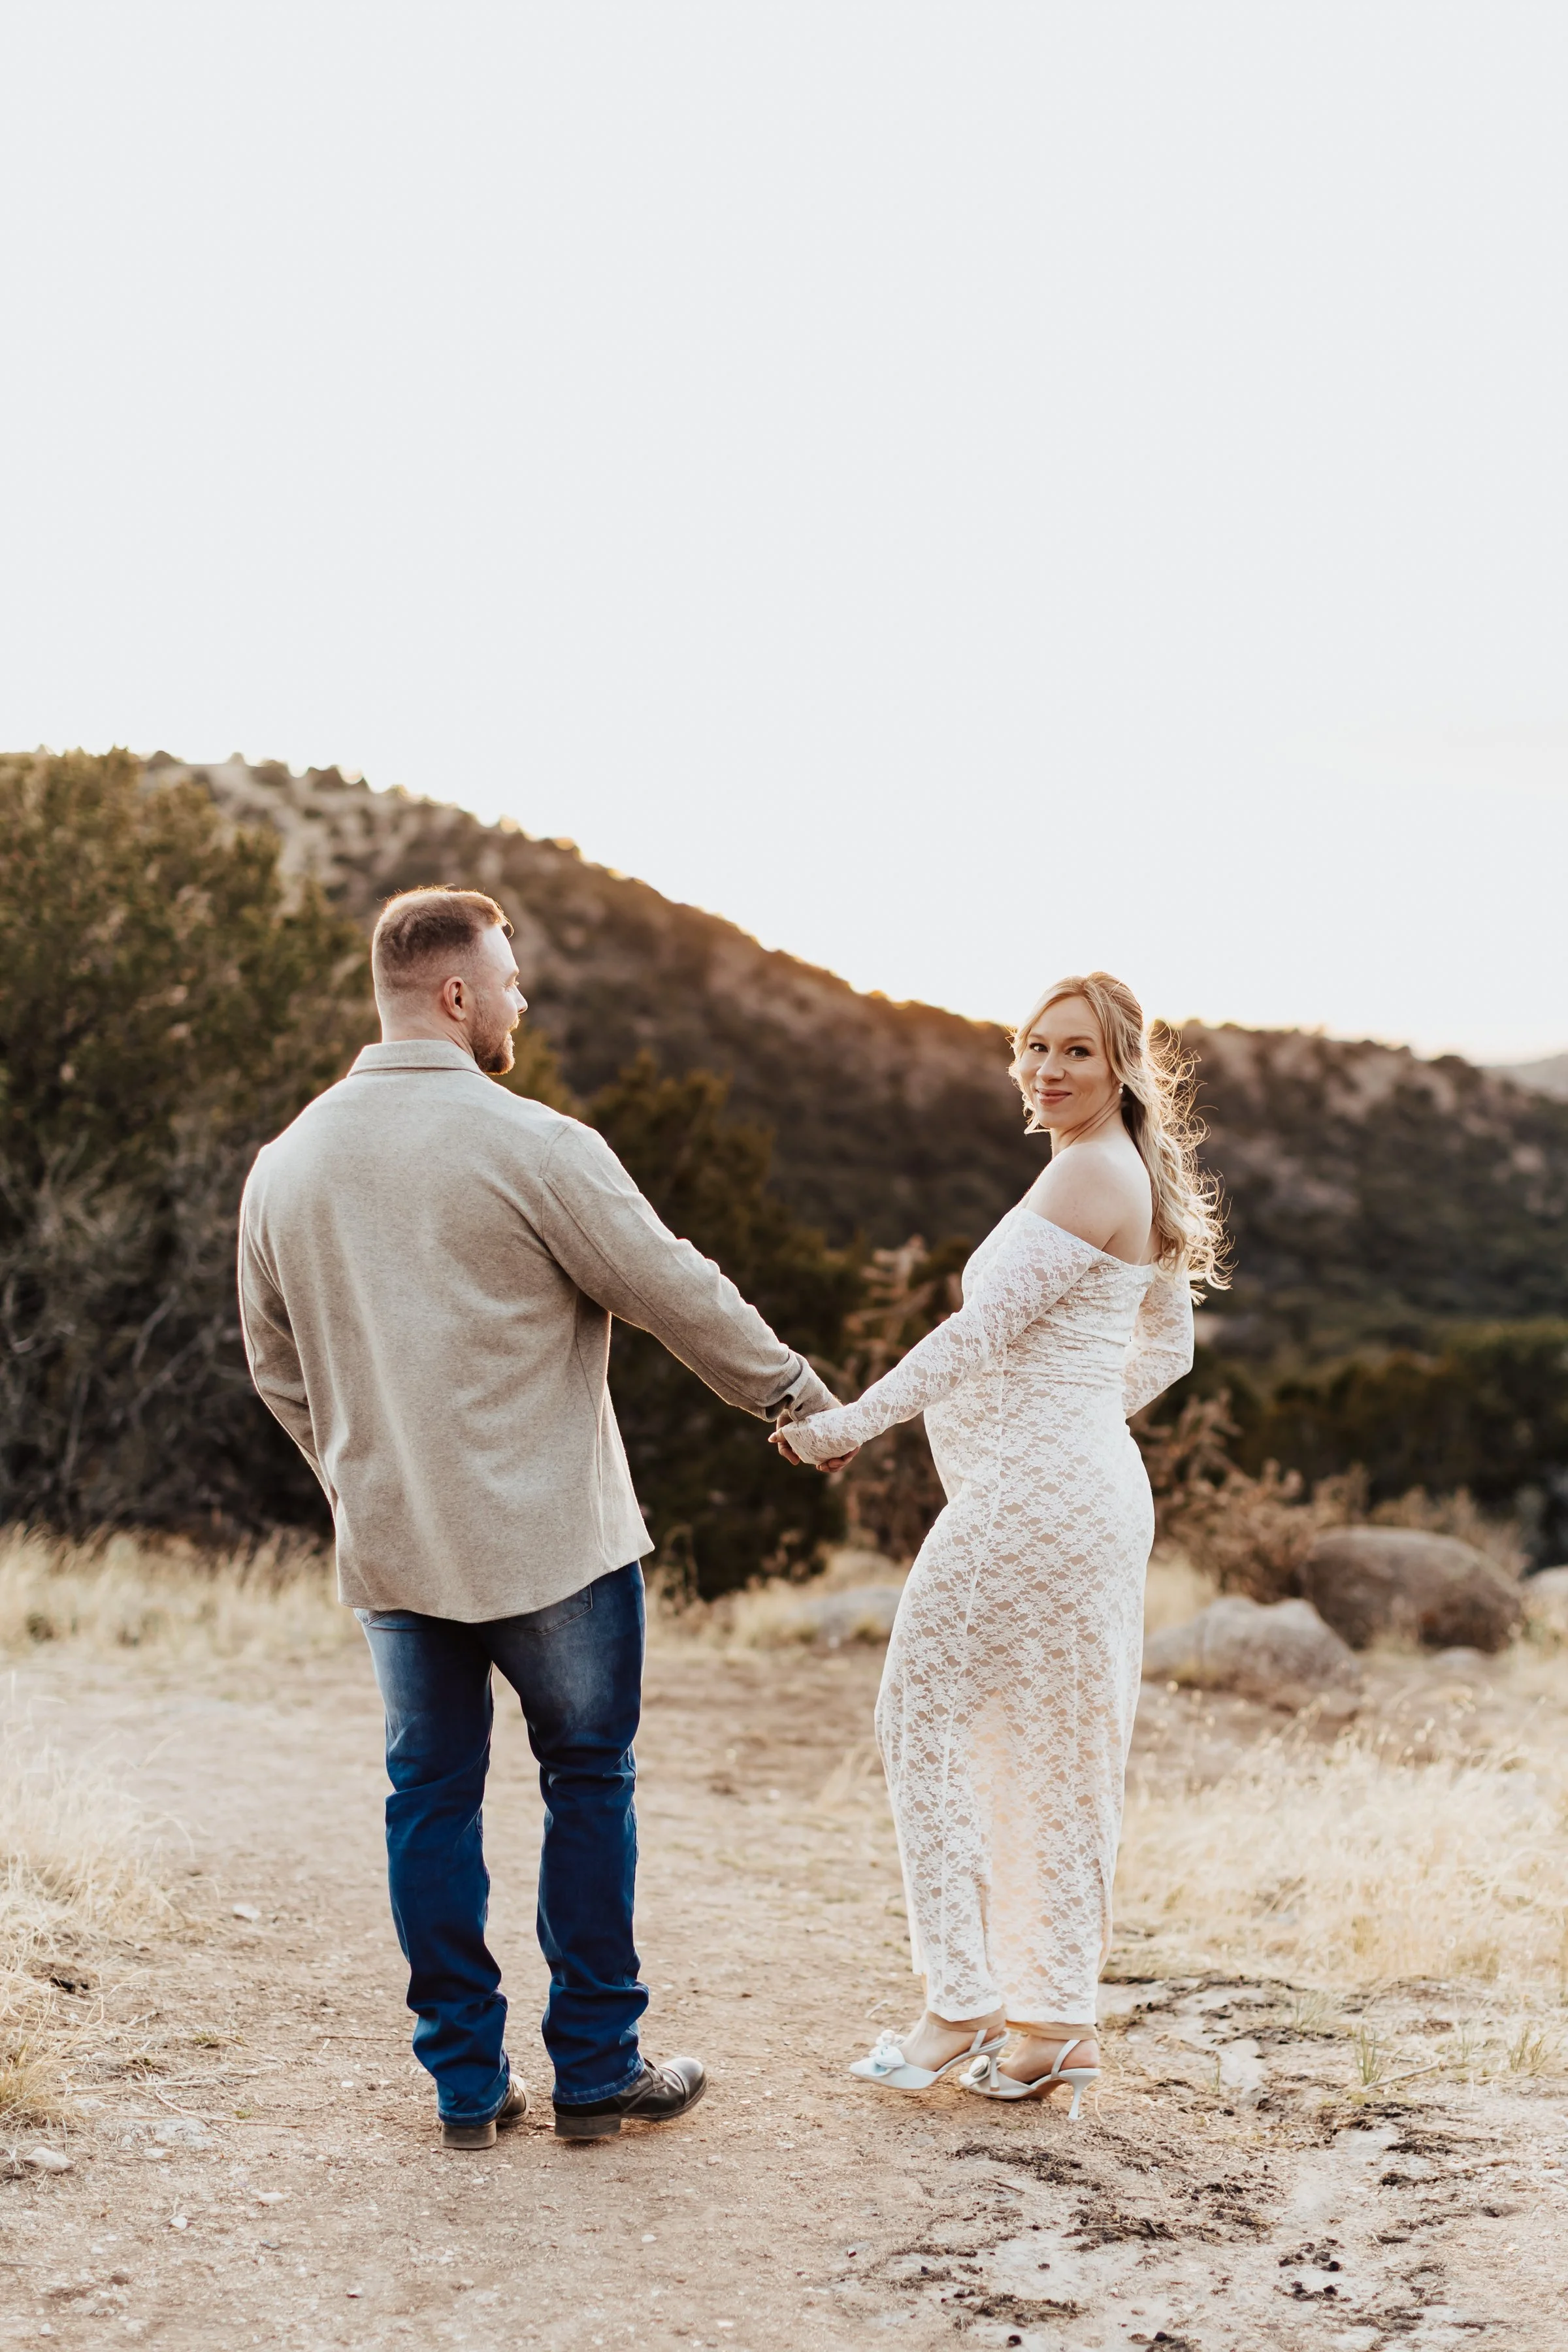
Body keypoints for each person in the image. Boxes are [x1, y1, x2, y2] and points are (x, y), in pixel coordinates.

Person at [238, 887, 844, 2147]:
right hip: (553, 1543)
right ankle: (597, 2071)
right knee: (588, 1782)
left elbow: (275, 1366)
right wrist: (788, 1392)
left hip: (397, 1543)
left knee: (428, 1800)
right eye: (509, 980)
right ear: (455, 995)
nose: (523, 1000)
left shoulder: (284, 1165)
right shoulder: (535, 1144)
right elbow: (674, 1285)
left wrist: (361, 1472)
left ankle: (465, 2085)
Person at [774, 972, 1222, 2117]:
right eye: (1032, 1048)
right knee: (1052, 1746)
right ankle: (1051, 2029)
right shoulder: (1125, 1172)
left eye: (1074, 1051)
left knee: (919, 1714)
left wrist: (848, 1428)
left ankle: (963, 2002)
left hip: (1036, 1498)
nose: (1046, 1070)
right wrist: (1070, 1416)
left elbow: (974, 1337)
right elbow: (1166, 1349)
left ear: (1123, 1064)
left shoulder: (1086, 1171)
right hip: (1076, 1490)